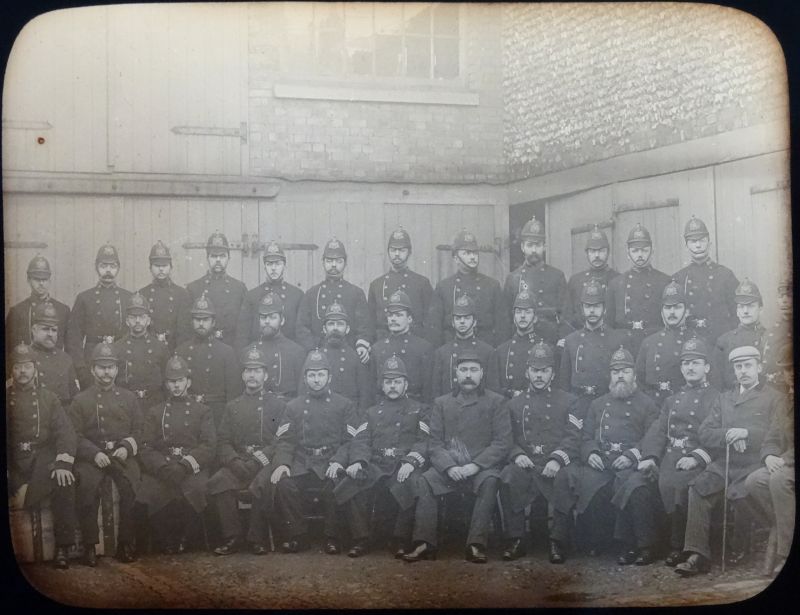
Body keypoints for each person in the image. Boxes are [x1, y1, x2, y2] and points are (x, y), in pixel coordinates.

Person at [675, 346, 785, 576]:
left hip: (755, 464)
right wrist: (729, 434)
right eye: (738, 367)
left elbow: (778, 435)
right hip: (724, 462)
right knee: (698, 488)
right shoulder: (724, 398)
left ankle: (741, 547)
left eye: (748, 366)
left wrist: (746, 433)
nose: (743, 371)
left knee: (740, 493)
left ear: (759, 367)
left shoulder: (775, 398)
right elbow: (705, 432)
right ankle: (697, 554)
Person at [403, 348, 511, 564]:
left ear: (482, 374)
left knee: (490, 481)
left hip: (481, 468)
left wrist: (475, 466)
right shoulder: (442, 403)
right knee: (426, 480)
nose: (468, 375)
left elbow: (502, 443)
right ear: (456, 374)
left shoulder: (496, 402)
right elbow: (434, 443)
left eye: (473, 370)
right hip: (449, 467)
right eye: (463, 370)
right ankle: (424, 542)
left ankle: (475, 544)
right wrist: (449, 467)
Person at [562, 347, 661, 564]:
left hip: (630, 462)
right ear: (610, 375)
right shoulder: (598, 404)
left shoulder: (647, 404)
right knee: (591, 483)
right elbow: (586, 436)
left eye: (625, 371)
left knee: (632, 486)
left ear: (634, 374)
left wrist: (632, 455)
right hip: (603, 461)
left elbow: (653, 437)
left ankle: (639, 544)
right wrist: (591, 453)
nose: (620, 376)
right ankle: (597, 540)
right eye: (615, 372)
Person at [333, 355, 430, 558]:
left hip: (402, 463)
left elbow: (424, 440)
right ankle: (362, 538)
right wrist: (359, 462)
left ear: (406, 384)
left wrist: (411, 462)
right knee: (352, 482)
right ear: (382, 386)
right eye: (388, 382)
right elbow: (360, 440)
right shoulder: (371, 412)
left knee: (411, 482)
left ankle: (399, 539)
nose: (392, 386)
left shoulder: (419, 409)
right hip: (376, 463)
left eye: (397, 382)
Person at [637, 337, 719, 567]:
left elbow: (715, 436)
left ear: (707, 367)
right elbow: (658, 430)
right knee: (650, 482)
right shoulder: (672, 399)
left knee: (680, 485)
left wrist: (695, 458)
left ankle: (679, 546)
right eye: (686, 363)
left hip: (697, 458)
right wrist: (651, 457)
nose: (690, 368)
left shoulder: (715, 398)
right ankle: (655, 544)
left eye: (695, 363)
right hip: (670, 457)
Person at [499, 342, 580, 564]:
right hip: (527, 462)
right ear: (527, 372)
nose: (539, 376)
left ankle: (558, 541)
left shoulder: (569, 401)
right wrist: (517, 455)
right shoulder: (513, 404)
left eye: (544, 371)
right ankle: (516, 539)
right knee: (509, 475)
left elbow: (574, 436)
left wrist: (557, 459)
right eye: (535, 371)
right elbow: (506, 438)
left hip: (556, 462)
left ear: (552, 373)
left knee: (565, 478)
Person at [270, 350, 358, 554]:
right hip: (303, 462)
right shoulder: (293, 406)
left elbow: (350, 441)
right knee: (284, 484)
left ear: (329, 377)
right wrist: (283, 463)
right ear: (306, 378)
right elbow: (285, 440)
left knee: (336, 483)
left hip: (330, 461)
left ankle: (332, 536)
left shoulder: (344, 405)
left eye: (320, 375)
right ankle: (298, 536)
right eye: (312, 375)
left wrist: (338, 461)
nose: (316, 380)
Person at [208, 345, 287, 556]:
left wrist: (260, 460)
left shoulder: (278, 405)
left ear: (266, 374)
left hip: (265, 462)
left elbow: (281, 439)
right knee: (219, 481)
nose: (252, 375)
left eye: (258, 370)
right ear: (243, 375)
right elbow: (223, 441)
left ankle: (256, 538)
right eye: (249, 371)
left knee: (261, 484)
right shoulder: (233, 406)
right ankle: (233, 536)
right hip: (240, 462)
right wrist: (234, 461)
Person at [68, 342, 141, 565]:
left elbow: (139, 430)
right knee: (87, 488)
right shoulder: (81, 400)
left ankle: (126, 544)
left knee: (131, 488)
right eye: (101, 367)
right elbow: (75, 435)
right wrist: (93, 453)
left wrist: (126, 448)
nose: (106, 372)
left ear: (117, 369)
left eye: (110, 367)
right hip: (93, 456)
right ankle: (90, 546)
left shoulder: (129, 398)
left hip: (120, 455)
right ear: (92, 369)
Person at [7, 343, 78, 569]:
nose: (23, 372)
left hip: (42, 459)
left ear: (35, 369)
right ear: (11, 370)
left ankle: (63, 547)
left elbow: (65, 432)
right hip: (14, 460)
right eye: (18, 367)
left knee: (64, 481)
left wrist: (62, 462)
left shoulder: (49, 398)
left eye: (27, 366)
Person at [138, 355, 216, 555]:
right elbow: (145, 446)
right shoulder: (155, 412)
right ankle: (165, 538)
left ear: (188, 381)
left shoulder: (202, 411)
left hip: (190, 467)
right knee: (149, 491)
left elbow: (208, 445)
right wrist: (162, 467)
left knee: (196, 488)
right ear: (166, 384)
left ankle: (186, 537)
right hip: (164, 467)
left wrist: (185, 465)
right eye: (172, 382)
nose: (176, 386)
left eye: (180, 380)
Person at [744, 343, 794, 576]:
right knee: (754, 481)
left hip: (789, 465)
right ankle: (784, 524)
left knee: (779, 480)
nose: (790, 374)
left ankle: (785, 552)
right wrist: (769, 456)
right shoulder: (785, 401)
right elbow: (772, 435)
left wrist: (784, 459)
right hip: (784, 463)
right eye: (787, 370)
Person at [558, 278, 627, 424]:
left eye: (596, 306)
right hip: (579, 407)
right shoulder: (571, 341)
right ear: (582, 308)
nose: (592, 310)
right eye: (588, 306)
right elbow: (564, 386)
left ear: (604, 308)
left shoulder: (617, 339)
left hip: (608, 407)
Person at [65, 243, 133, 390]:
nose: (108, 270)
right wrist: (80, 368)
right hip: (93, 360)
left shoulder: (128, 298)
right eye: (103, 266)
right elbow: (74, 338)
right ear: (96, 267)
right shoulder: (84, 298)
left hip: (119, 359)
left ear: (118, 268)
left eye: (113, 266)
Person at [296, 238, 374, 360]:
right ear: (323, 262)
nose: (333, 265)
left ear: (345, 263)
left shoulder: (356, 293)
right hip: (319, 356)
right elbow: (302, 328)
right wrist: (314, 349)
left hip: (349, 355)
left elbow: (364, 327)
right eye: (329, 260)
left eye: (338, 261)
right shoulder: (312, 294)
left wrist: (361, 345)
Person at [428, 229, 510, 347]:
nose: (472, 257)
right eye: (467, 253)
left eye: (475, 253)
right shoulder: (443, 287)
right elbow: (434, 330)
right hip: (453, 350)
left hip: (484, 350)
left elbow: (503, 328)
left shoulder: (492, 286)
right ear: (456, 258)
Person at [175, 293, 241, 426]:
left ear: (213, 322)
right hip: (189, 414)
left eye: (205, 319)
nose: (201, 323)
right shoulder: (181, 351)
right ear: (191, 321)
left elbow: (233, 394)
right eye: (197, 319)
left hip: (217, 414)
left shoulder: (226, 352)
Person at [606, 224, 671, 356]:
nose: (640, 255)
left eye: (644, 250)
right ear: (628, 253)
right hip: (625, 346)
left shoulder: (665, 281)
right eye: (635, 251)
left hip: (655, 345)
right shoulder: (616, 284)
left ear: (652, 251)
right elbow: (608, 324)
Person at [672, 216, 739, 343]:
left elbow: (737, 314)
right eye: (692, 241)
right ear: (686, 246)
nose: (698, 245)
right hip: (689, 344)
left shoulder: (725, 275)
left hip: (719, 342)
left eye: (702, 240)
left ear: (709, 243)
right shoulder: (678, 278)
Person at [635, 280, 703, 405]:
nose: (672, 312)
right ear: (661, 312)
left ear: (687, 311)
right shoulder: (649, 343)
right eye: (667, 307)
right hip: (653, 408)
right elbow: (639, 383)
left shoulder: (698, 342)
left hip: (685, 407)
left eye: (677, 307)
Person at [368, 227, 437, 346]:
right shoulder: (377, 285)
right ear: (388, 251)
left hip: (414, 345)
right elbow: (370, 324)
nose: (397, 254)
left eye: (402, 250)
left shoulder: (422, 283)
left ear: (409, 252)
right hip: (384, 345)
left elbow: (431, 323)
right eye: (393, 250)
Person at [504, 216, 570, 335]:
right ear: (522, 247)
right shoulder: (513, 278)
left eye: (538, 245)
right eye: (529, 245)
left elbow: (565, 315)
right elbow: (507, 318)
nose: (534, 250)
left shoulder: (557, 276)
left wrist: (560, 340)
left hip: (550, 339)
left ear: (544, 247)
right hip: (522, 337)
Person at [490, 290, 559, 399]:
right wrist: (511, 394)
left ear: (535, 318)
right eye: (518, 312)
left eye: (527, 312)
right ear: (513, 317)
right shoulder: (501, 350)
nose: (522, 316)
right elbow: (494, 387)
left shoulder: (547, 349)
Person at [235, 240, 303, 349]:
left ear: (284, 265)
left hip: (287, 354)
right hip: (258, 355)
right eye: (269, 264)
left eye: (277, 263)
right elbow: (242, 336)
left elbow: (300, 334)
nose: (273, 268)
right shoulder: (252, 296)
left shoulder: (296, 295)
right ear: (264, 267)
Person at [370, 290, 434, 404]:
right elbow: (373, 390)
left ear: (409, 319)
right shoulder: (377, 349)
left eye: (399, 315)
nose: (393, 319)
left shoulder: (423, 348)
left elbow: (428, 391)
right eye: (390, 315)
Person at [186, 231, 248, 347]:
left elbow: (243, 329)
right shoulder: (194, 288)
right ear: (207, 258)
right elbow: (188, 329)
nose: (218, 260)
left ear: (229, 258)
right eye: (214, 256)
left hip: (231, 349)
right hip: (202, 348)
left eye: (222, 256)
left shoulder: (239, 289)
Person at [113, 292, 170, 413]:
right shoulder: (117, 348)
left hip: (154, 405)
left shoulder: (160, 347)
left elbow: (167, 382)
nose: (137, 321)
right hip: (126, 406)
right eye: (133, 317)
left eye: (142, 317)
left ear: (148, 320)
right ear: (127, 321)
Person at [431, 294, 496, 398]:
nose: (462, 321)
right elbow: (436, 392)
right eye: (458, 318)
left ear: (474, 322)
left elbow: (493, 392)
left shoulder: (488, 352)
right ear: (452, 322)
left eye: (466, 318)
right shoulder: (441, 353)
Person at [316, 302, 375, 410]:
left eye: (340, 324)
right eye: (331, 324)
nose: (335, 328)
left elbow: (365, 396)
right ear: (324, 329)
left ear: (347, 329)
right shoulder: (316, 357)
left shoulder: (356, 358)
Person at [247, 293, 306, 400]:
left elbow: (302, 395)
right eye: (263, 317)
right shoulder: (250, 351)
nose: (267, 321)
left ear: (282, 320)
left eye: (272, 317)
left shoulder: (297, 351)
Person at [5, 254, 70, 350]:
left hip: (54, 364)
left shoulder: (63, 310)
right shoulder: (16, 312)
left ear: (50, 280)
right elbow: (9, 349)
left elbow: (69, 348)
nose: (41, 283)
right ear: (28, 280)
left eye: (44, 279)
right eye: (36, 279)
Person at [714, 279, 767, 390]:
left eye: (751, 306)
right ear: (737, 311)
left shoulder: (769, 337)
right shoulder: (724, 341)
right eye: (741, 307)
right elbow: (718, 383)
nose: (745, 311)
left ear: (760, 309)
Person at [139, 240, 192, 351]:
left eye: (165, 265)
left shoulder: (181, 294)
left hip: (173, 350)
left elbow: (184, 332)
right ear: (150, 268)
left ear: (171, 267)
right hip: (149, 350)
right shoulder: (142, 295)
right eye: (157, 265)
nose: (161, 269)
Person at [566, 225, 618, 330]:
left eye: (601, 250)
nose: (597, 255)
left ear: (608, 252)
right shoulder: (575, 281)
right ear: (587, 253)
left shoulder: (618, 280)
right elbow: (568, 317)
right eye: (593, 251)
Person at [29, 302, 80, 407]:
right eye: (45, 329)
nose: (50, 334)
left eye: (54, 330)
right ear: (34, 330)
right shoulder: (24, 357)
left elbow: (75, 398)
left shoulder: (65, 359)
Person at [762, 279, 792, 389]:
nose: (784, 301)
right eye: (780, 296)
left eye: (789, 296)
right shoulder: (771, 333)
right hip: (777, 390)